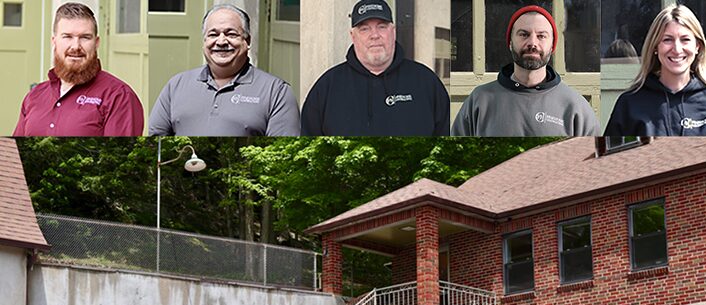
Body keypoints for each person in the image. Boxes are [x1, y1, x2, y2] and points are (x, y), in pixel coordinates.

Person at [300, 0, 449, 136]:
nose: (374, 35)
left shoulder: (426, 82)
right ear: (353, 36)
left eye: (382, 27)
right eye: (364, 29)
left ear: (393, 31)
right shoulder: (326, 88)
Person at [149, 4, 301, 136]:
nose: (221, 41)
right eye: (213, 34)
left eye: (231, 34)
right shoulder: (176, 85)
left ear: (247, 41)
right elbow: (156, 138)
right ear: (205, 41)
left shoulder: (276, 92)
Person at [451, 5, 601, 137]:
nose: (532, 43)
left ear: (552, 46)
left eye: (541, 36)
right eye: (524, 34)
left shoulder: (576, 107)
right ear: (510, 42)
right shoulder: (479, 100)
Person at [603, 4, 706, 137]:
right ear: (655, 46)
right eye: (668, 40)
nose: (677, 49)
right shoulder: (629, 105)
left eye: (685, 39)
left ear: (697, 47)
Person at [13, 2, 143, 136]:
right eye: (67, 37)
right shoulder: (34, 96)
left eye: (85, 37)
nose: (75, 46)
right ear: (54, 41)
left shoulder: (119, 96)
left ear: (96, 43)